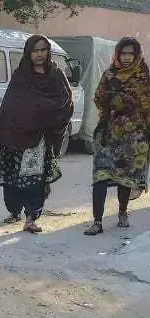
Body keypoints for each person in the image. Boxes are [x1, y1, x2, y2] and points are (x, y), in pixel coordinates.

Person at [0, 34, 74, 234]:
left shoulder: (56, 75)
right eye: (35, 50)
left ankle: (31, 218)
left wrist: (43, 112)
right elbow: (12, 104)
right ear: (28, 52)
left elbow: (65, 102)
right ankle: (14, 211)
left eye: (43, 50)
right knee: (13, 177)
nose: (40, 54)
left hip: (39, 139)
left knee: (35, 179)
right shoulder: (21, 75)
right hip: (15, 136)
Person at [84, 37, 150, 236]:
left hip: (134, 138)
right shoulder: (109, 74)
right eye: (124, 53)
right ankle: (97, 222)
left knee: (124, 179)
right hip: (108, 134)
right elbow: (98, 97)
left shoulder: (144, 77)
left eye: (131, 53)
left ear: (137, 54)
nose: (127, 57)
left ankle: (122, 212)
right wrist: (111, 100)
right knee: (100, 177)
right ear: (118, 54)